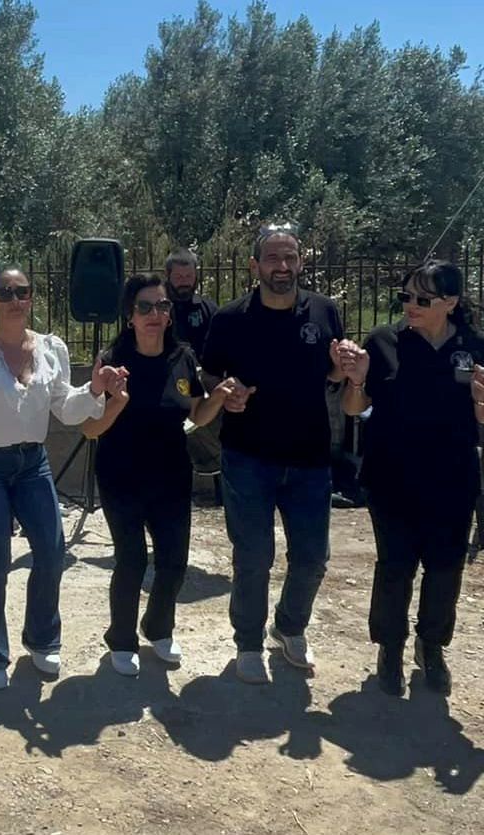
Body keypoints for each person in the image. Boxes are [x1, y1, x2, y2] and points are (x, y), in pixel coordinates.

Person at [0, 265, 114, 690]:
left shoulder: (52, 349)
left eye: (22, 292)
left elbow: (66, 409)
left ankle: (42, 638)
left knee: (52, 552)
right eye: (5, 292)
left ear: (31, 297)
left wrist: (93, 390)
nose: (15, 300)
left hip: (32, 463)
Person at [200, 222, 346, 684]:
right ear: (254, 266)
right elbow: (208, 374)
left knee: (313, 557)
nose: (282, 266)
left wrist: (343, 369)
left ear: (300, 262)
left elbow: (333, 375)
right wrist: (226, 391)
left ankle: (289, 627)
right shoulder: (230, 318)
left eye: (290, 257)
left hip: (310, 458)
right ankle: (247, 641)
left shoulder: (325, 311)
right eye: (272, 258)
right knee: (253, 556)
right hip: (248, 457)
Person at [339, 260, 484, 696]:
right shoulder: (384, 342)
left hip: (453, 479)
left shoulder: (474, 346)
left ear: (451, 302)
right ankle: (390, 648)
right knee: (395, 566)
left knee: (445, 568)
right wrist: (356, 381)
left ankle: (431, 646)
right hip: (392, 476)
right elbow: (353, 408)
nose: (410, 305)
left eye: (423, 298)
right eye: (406, 296)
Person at [81, 275, 234, 676]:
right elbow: (90, 429)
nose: (155, 314)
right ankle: (121, 638)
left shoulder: (182, 357)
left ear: (169, 314)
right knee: (131, 560)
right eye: (145, 307)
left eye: (162, 306)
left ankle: (158, 628)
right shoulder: (111, 361)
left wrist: (217, 397)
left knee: (174, 561)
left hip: (171, 475)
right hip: (121, 476)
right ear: (130, 315)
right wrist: (115, 403)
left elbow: (196, 413)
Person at [165, 249, 223, 478]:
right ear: (168, 275)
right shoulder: (158, 309)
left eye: (188, 276)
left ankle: (214, 469)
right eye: (179, 277)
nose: (184, 282)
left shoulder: (209, 309)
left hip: (201, 382)